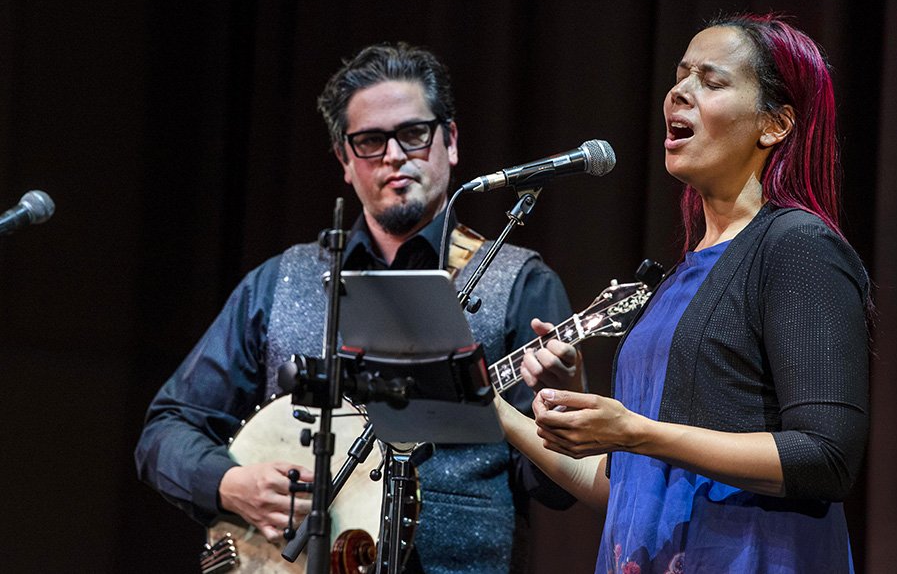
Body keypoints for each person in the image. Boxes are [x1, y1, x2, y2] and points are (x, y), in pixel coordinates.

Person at [135, 42, 583, 574]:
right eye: (370, 142)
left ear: (451, 141)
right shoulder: (279, 281)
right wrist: (231, 484)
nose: (394, 156)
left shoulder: (521, 283)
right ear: (345, 161)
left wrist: (567, 415)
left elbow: (555, 491)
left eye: (413, 134)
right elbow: (166, 428)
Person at [498, 14, 870, 573]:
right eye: (679, 76)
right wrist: (488, 407)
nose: (679, 91)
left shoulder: (798, 246)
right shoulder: (676, 280)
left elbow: (827, 456)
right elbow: (620, 489)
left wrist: (638, 433)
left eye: (711, 81)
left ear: (775, 125)